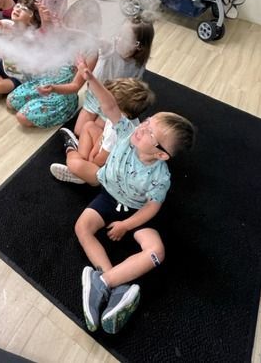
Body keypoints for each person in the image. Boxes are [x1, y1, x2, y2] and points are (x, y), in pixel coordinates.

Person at [74, 58, 195, 334]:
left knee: (156, 252)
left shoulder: (160, 177)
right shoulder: (126, 131)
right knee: (82, 227)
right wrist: (90, 78)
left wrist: (127, 225)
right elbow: (110, 105)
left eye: (151, 133)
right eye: (148, 122)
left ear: (162, 154)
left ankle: (104, 282)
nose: (142, 127)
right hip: (109, 196)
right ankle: (108, 280)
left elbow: (152, 208)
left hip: (136, 211)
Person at [50, 78, 155, 185]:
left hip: (109, 171)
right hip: (108, 153)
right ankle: (83, 167)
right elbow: (103, 137)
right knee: (89, 126)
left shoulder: (116, 132)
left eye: (105, 101)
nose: (101, 103)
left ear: (119, 110)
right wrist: (94, 151)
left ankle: (72, 152)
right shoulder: (119, 119)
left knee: (74, 164)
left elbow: (102, 159)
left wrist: (91, 161)